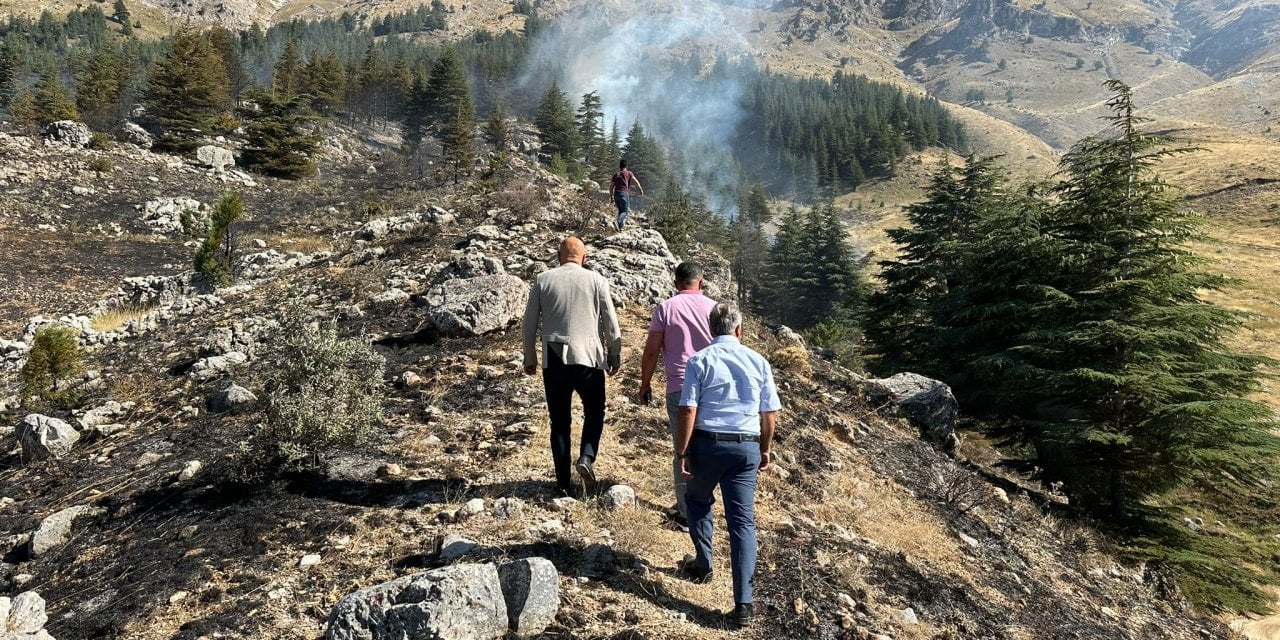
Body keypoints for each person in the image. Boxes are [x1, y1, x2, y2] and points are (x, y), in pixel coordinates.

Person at [675, 302, 780, 629]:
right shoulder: (759, 361)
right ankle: (744, 606)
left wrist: (682, 451)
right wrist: (763, 449)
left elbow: (688, 410)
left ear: (710, 330)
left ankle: (704, 564)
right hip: (746, 448)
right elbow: (769, 415)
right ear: (739, 330)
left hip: (707, 444)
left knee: (696, 500)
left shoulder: (700, 360)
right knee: (742, 523)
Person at [522, 237, 622, 496]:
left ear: (558, 256)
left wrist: (530, 357)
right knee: (595, 411)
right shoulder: (596, 280)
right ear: (584, 257)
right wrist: (614, 354)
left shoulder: (543, 280)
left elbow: (529, 322)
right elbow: (611, 323)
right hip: (589, 356)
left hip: (554, 356)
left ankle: (563, 484)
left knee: (559, 421)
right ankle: (587, 457)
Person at [638, 262, 717, 528]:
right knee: (709, 444)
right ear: (701, 282)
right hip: (713, 386)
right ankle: (702, 500)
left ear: (676, 283)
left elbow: (651, 352)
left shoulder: (666, 308)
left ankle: (687, 512)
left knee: (683, 449)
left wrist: (645, 384)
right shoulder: (716, 309)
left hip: (680, 386)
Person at [609, 159, 644, 231]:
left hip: (616, 194)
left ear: (620, 166)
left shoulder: (616, 175)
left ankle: (620, 228)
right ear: (626, 166)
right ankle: (618, 221)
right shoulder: (629, 173)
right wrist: (640, 189)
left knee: (620, 211)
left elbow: (611, 186)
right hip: (624, 193)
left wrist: (611, 197)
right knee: (625, 211)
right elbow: (636, 181)